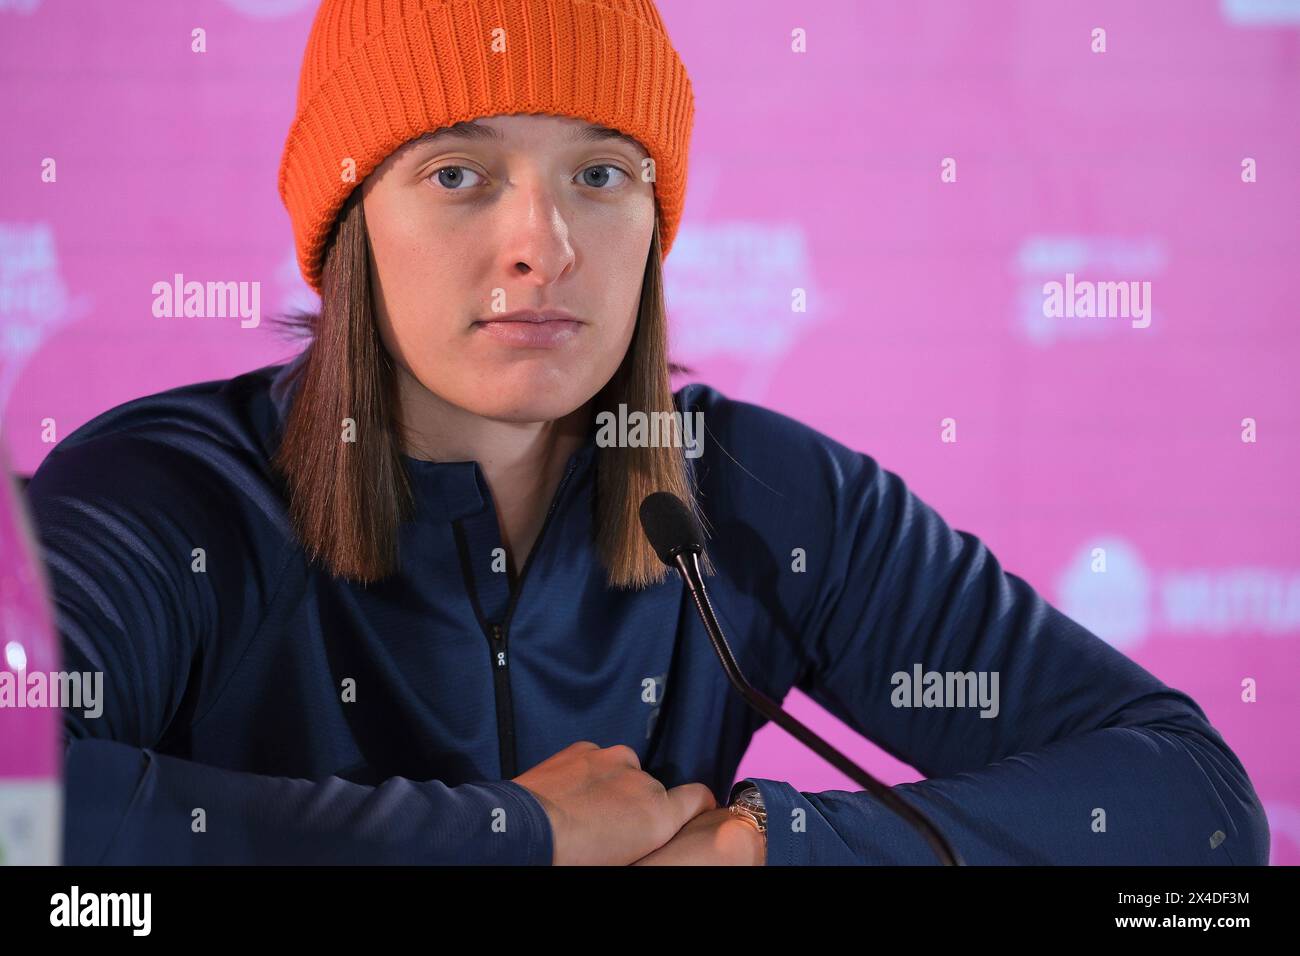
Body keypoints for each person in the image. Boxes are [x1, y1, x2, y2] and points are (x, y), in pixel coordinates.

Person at [25, 0, 1268, 866]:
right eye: (458, 172)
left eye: (600, 174)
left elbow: (1192, 800)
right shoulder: (163, 498)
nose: (542, 243)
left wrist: (772, 845)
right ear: (350, 221)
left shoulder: (766, 496)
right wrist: (520, 835)